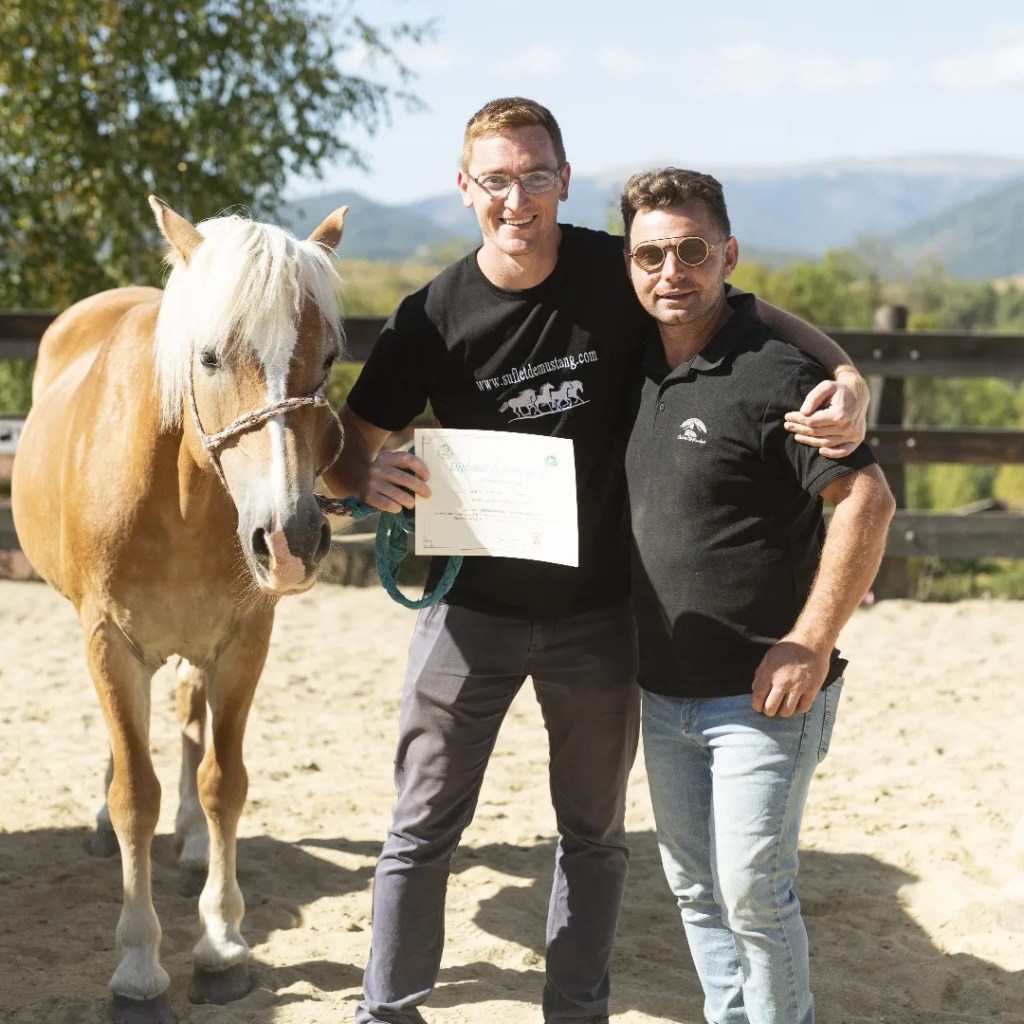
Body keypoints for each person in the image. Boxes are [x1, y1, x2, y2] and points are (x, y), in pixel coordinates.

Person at [323, 98, 869, 1024]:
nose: (518, 199)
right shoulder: (431, 317)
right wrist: (362, 477)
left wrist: (847, 376)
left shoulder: (619, 270)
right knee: (421, 824)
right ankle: (389, 1008)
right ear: (465, 189)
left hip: (600, 617)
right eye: (497, 180)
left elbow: (752, 315)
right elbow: (347, 444)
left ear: (564, 181)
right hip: (469, 614)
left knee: (593, 835)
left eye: (536, 176)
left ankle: (576, 1010)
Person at [619, 166, 895, 1024]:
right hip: (661, 689)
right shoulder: (625, 356)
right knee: (695, 888)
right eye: (651, 255)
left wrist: (811, 640)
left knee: (752, 891)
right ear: (628, 264)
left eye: (693, 251)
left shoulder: (779, 374)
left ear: (728, 255)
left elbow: (867, 501)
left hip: (764, 692)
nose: (671, 271)